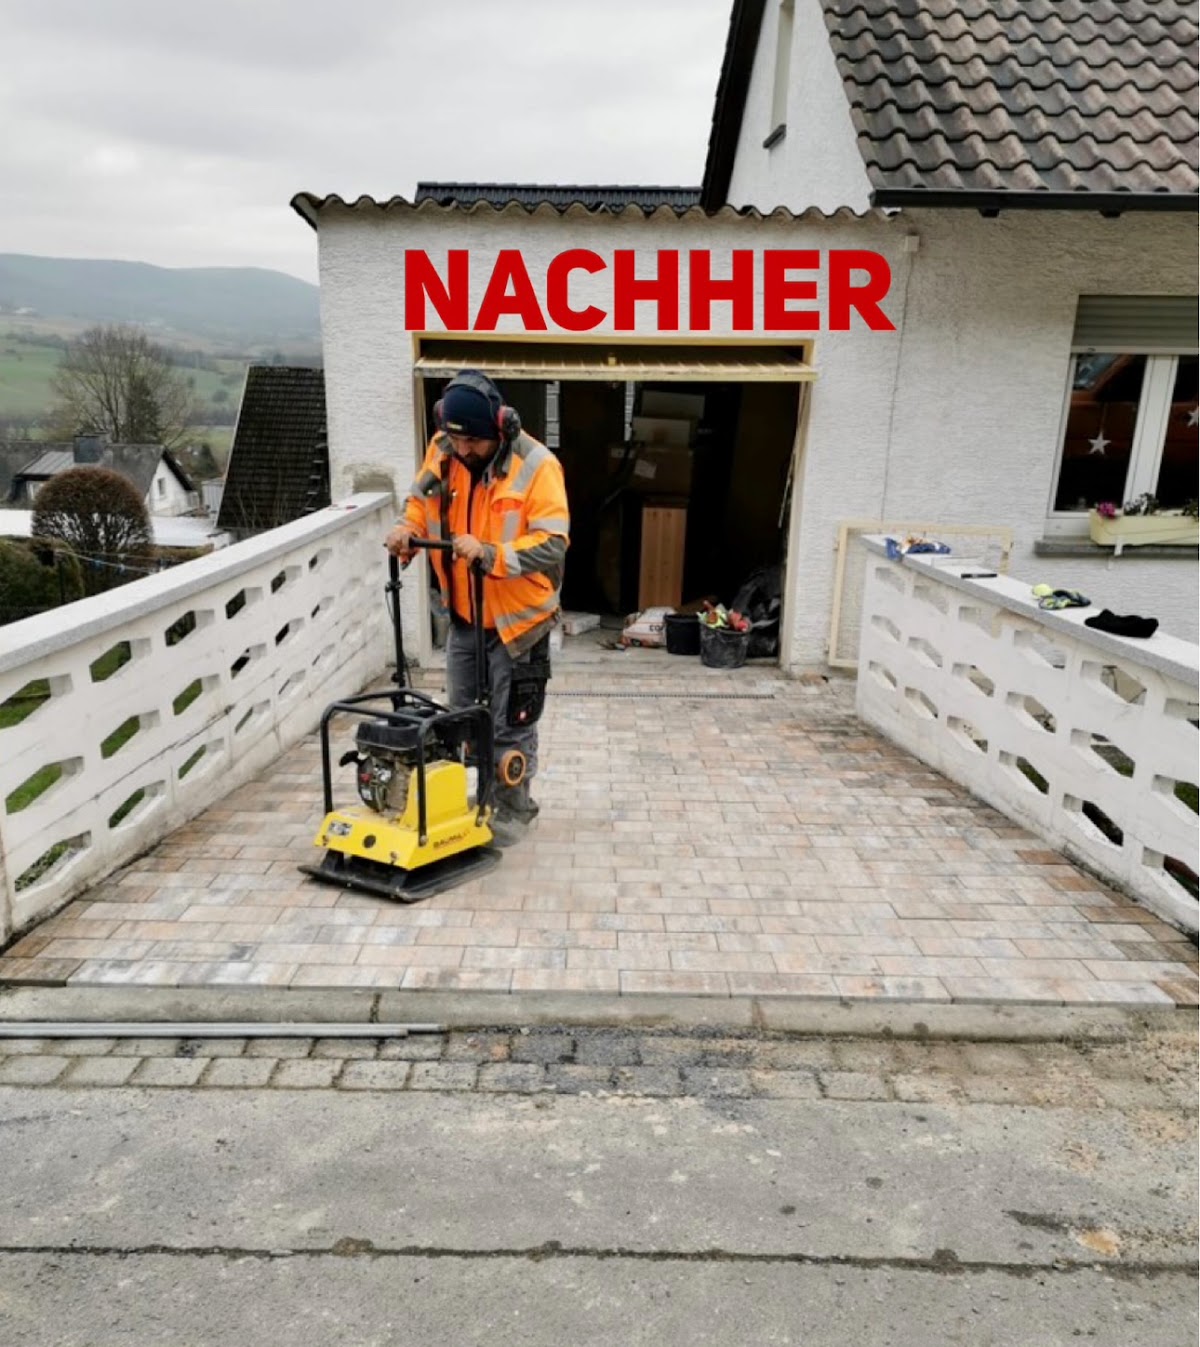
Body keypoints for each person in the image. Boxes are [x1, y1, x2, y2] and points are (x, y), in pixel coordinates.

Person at [385, 370, 570, 847]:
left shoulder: (537, 466)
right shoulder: (445, 447)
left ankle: (513, 808)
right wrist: (407, 530)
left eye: (474, 442)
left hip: (519, 622)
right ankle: (473, 799)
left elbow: (553, 542)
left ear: (501, 428)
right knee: (461, 718)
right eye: (457, 440)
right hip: (466, 616)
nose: (464, 451)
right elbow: (420, 499)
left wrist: (492, 554)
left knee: (511, 723)